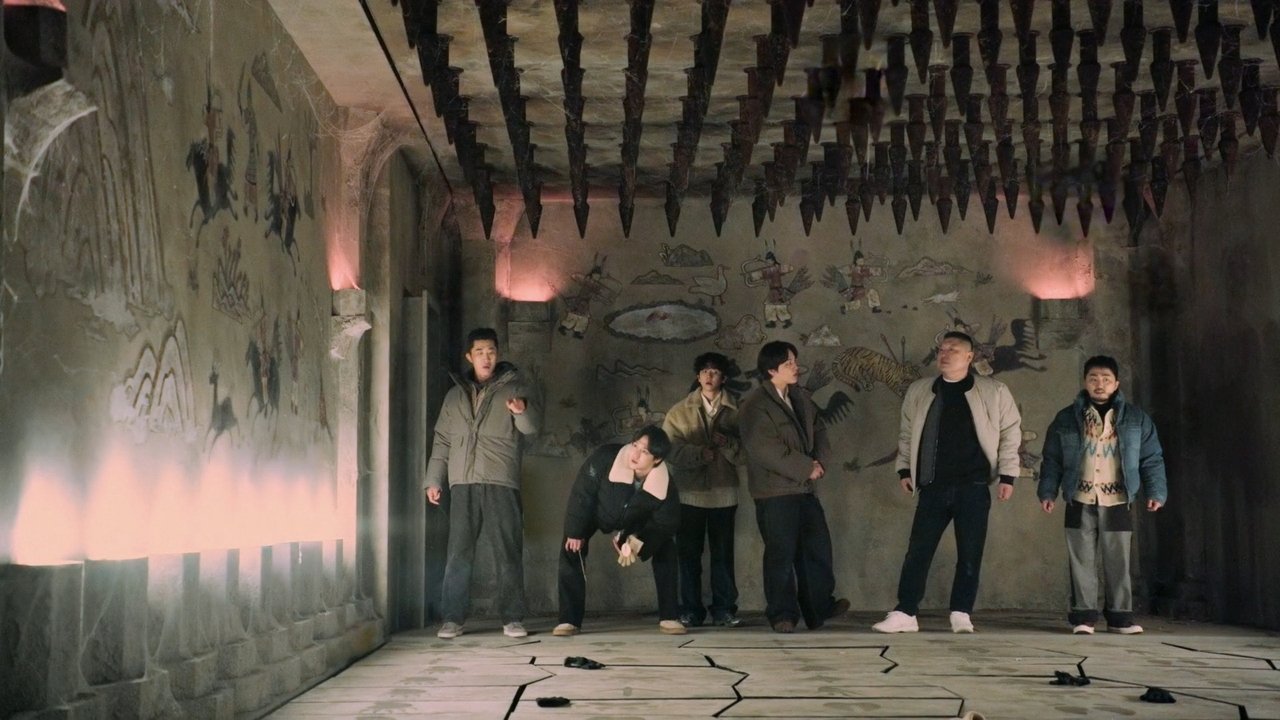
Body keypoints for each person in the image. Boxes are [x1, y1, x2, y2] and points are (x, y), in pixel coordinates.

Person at [873, 331, 1021, 634]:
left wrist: (1008, 475)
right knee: (918, 551)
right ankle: (906, 612)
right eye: (941, 349)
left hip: (974, 485)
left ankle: (961, 612)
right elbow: (906, 433)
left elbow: (1010, 432)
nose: (945, 354)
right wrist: (905, 470)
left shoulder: (994, 391)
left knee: (970, 553)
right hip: (933, 485)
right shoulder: (920, 390)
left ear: (969, 357)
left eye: (953, 349)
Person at [1037, 355, 1168, 635]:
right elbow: (1052, 459)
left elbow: (1152, 458)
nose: (1100, 384)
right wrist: (1048, 491)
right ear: (1085, 382)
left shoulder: (1136, 418)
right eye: (1093, 378)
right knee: (1081, 558)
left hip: (1117, 498)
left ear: (1116, 383)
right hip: (1078, 496)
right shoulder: (1066, 418)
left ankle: (1120, 618)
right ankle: (1083, 618)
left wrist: (1156, 491)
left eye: (1106, 379)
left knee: (1118, 559)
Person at [425, 328, 541, 639]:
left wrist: (522, 412)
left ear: (497, 354)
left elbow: (532, 429)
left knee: (507, 551)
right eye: (479, 352)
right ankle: (453, 619)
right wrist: (433, 479)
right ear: (469, 357)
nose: (486, 357)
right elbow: (442, 439)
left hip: (501, 480)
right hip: (462, 482)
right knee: (458, 552)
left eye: (491, 351)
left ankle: (513, 618)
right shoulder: (454, 396)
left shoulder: (515, 389)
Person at [740, 341, 848, 633]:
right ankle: (782, 615)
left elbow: (820, 429)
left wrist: (819, 462)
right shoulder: (755, 405)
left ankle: (818, 609)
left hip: (805, 489)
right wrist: (805, 467)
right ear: (771, 369)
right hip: (775, 492)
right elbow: (764, 448)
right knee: (781, 555)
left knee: (817, 550)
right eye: (788, 363)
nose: (796, 367)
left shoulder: (799, 397)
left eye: (795, 361)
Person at [553, 426, 686, 637]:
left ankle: (669, 616)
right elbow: (582, 493)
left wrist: (637, 541)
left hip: (634, 522)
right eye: (635, 445)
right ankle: (569, 620)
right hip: (598, 511)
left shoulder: (665, 484)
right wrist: (575, 531)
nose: (635, 454)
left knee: (666, 546)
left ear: (657, 459)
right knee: (571, 546)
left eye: (645, 451)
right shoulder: (605, 457)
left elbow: (666, 523)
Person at [662, 352, 746, 628]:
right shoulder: (679, 412)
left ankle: (724, 610)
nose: (710, 376)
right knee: (688, 555)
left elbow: (748, 453)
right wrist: (699, 454)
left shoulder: (738, 411)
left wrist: (728, 444)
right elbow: (669, 449)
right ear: (698, 377)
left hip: (724, 493)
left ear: (724, 378)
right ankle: (690, 610)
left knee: (723, 556)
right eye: (705, 372)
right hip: (689, 493)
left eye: (715, 372)